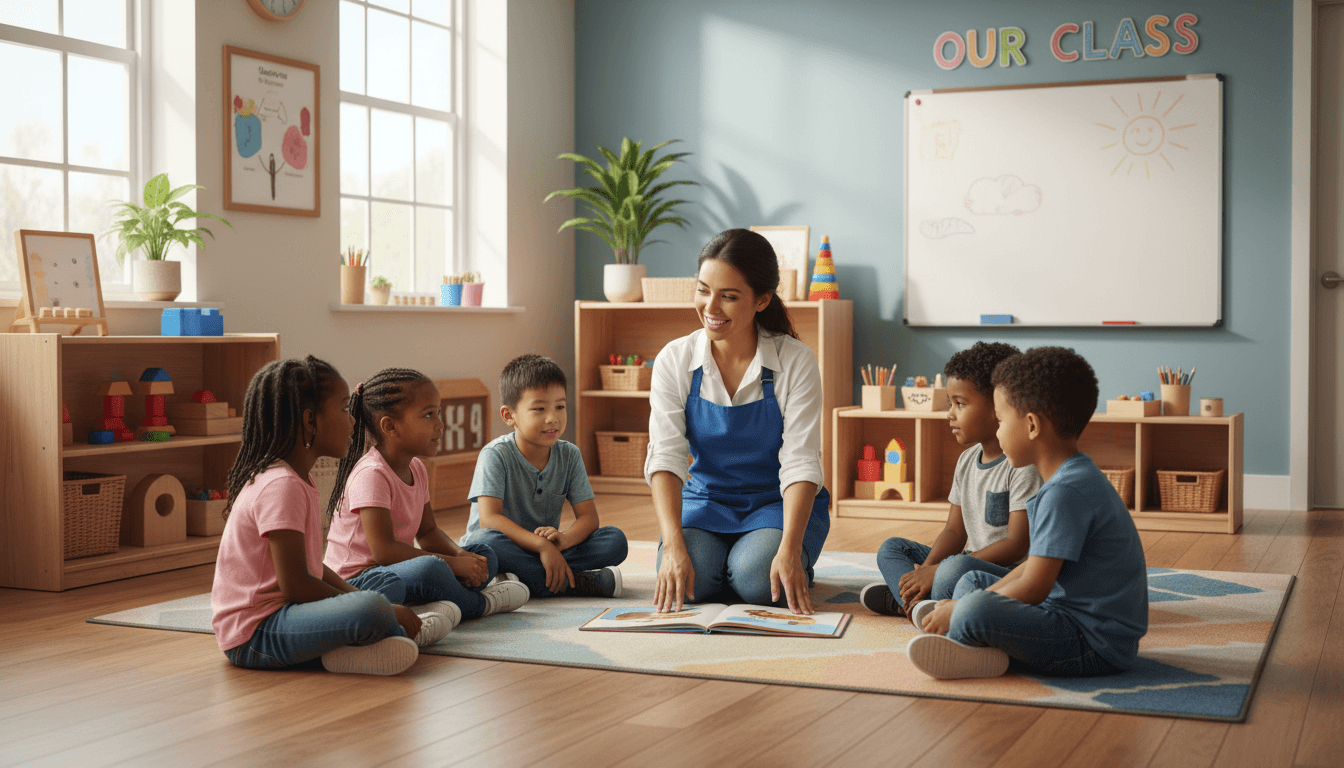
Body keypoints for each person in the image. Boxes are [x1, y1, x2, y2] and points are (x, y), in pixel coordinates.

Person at [908, 347, 1148, 680]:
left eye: (1002, 420)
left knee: (975, 606)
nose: (999, 430)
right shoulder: (1070, 477)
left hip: (1093, 644)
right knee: (972, 581)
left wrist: (962, 609)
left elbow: (1034, 586)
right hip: (1065, 613)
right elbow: (1029, 575)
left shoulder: (1065, 492)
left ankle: (970, 644)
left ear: (1032, 425)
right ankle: (973, 642)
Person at [210, 356, 442, 676]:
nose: (352, 422)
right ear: (310, 421)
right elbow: (298, 586)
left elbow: (313, 567)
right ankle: (373, 638)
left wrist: (363, 598)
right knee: (373, 608)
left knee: (370, 602)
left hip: (284, 617)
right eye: (345, 410)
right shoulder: (281, 485)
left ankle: (345, 654)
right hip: (256, 635)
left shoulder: (299, 480)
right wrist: (380, 607)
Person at [647, 228, 830, 615]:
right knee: (688, 582)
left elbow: (801, 460)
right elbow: (666, 457)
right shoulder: (675, 360)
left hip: (775, 502)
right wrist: (673, 545)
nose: (710, 307)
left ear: (762, 300)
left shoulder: (795, 361)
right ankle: (720, 561)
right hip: (706, 500)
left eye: (728, 296)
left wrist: (790, 549)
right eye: (703, 290)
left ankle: (754, 560)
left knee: (756, 580)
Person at [324, 368, 530, 627]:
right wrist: (452, 564)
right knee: (431, 569)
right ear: (390, 426)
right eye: (429, 415)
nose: (440, 424)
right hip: (361, 580)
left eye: (439, 413)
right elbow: (385, 551)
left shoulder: (416, 467)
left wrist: (460, 555)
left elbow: (429, 532)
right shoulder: (372, 474)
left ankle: (437, 601)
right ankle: (481, 605)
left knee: (483, 553)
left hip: (396, 569)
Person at [861, 342, 1040, 619]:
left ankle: (908, 604)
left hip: (1004, 572)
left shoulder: (1021, 465)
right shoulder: (967, 460)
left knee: (952, 572)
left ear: (998, 406)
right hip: (964, 558)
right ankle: (920, 604)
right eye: (950, 404)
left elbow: (1018, 544)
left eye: (960, 404)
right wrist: (926, 572)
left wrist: (941, 571)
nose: (950, 413)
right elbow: (954, 532)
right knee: (892, 548)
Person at [465, 354, 628, 598]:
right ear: (509, 416)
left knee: (615, 540)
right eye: (539, 409)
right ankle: (572, 582)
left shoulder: (569, 455)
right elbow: (490, 520)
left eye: (560, 407)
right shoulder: (495, 455)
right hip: (505, 547)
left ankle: (529, 578)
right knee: (484, 541)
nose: (552, 418)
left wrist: (562, 541)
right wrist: (540, 544)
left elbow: (589, 518)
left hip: (549, 549)